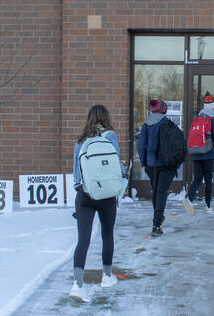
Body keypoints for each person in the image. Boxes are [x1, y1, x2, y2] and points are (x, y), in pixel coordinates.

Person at [70, 105, 125, 302]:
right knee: (107, 234)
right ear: (106, 118)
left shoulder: (80, 141)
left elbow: (77, 175)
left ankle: (77, 284)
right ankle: (107, 277)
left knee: (83, 240)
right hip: (106, 195)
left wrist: (81, 192)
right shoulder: (111, 136)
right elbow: (115, 166)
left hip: (85, 195)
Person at [137, 99, 177, 237]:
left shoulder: (146, 124)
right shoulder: (169, 124)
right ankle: (156, 224)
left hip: (151, 164)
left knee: (156, 191)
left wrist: (144, 162)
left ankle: (157, 221)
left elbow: (141, 145)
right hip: (167, 164)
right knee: (161, 192)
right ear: (164, 110)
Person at [183, 95, 214, 215]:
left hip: (196, 153)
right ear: (213, 108)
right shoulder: (213, 120)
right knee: (208, 179)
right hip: (208, 154)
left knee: (197, 179)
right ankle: (208, 206)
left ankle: (189, 199)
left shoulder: (197, 119)